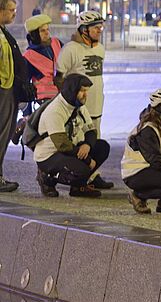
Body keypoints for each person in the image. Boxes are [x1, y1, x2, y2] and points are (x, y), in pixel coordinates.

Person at [33, 73, 111, 198]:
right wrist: (87, 159)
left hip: (68, 149)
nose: (86, 95)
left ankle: (78, 187)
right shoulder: (55, 110)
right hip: (49, 155)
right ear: (72, 91)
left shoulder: (78, 105)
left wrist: (87, 145)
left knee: (102, 147)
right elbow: (62, 145)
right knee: (82, 170)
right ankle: (47, 178)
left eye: (87, 91)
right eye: (82, 91)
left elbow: (91, 131)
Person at [55, 10, 107, 138]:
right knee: (80, 144)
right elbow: (59, 79)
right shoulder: (70, 49)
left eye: (101, 27)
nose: (100, 31)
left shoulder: (100, 48)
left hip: (97, 107)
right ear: (84, 29)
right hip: (78, 110)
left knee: (95, 142)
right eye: (96, 28)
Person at [0, 0, 31, 193]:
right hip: (3, 90)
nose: (14, 14)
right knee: (2, 133)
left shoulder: (4, 32)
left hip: (9, 89)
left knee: (5, 133)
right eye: (11, 10)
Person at [22, 14, 61, 103]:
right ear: (34, 34)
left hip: (62, 95)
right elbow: (25, 84)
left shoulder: (56, 43)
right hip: (44, 100)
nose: (47, 33)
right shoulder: (28, 56)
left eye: (47, 29)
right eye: (42, 31)